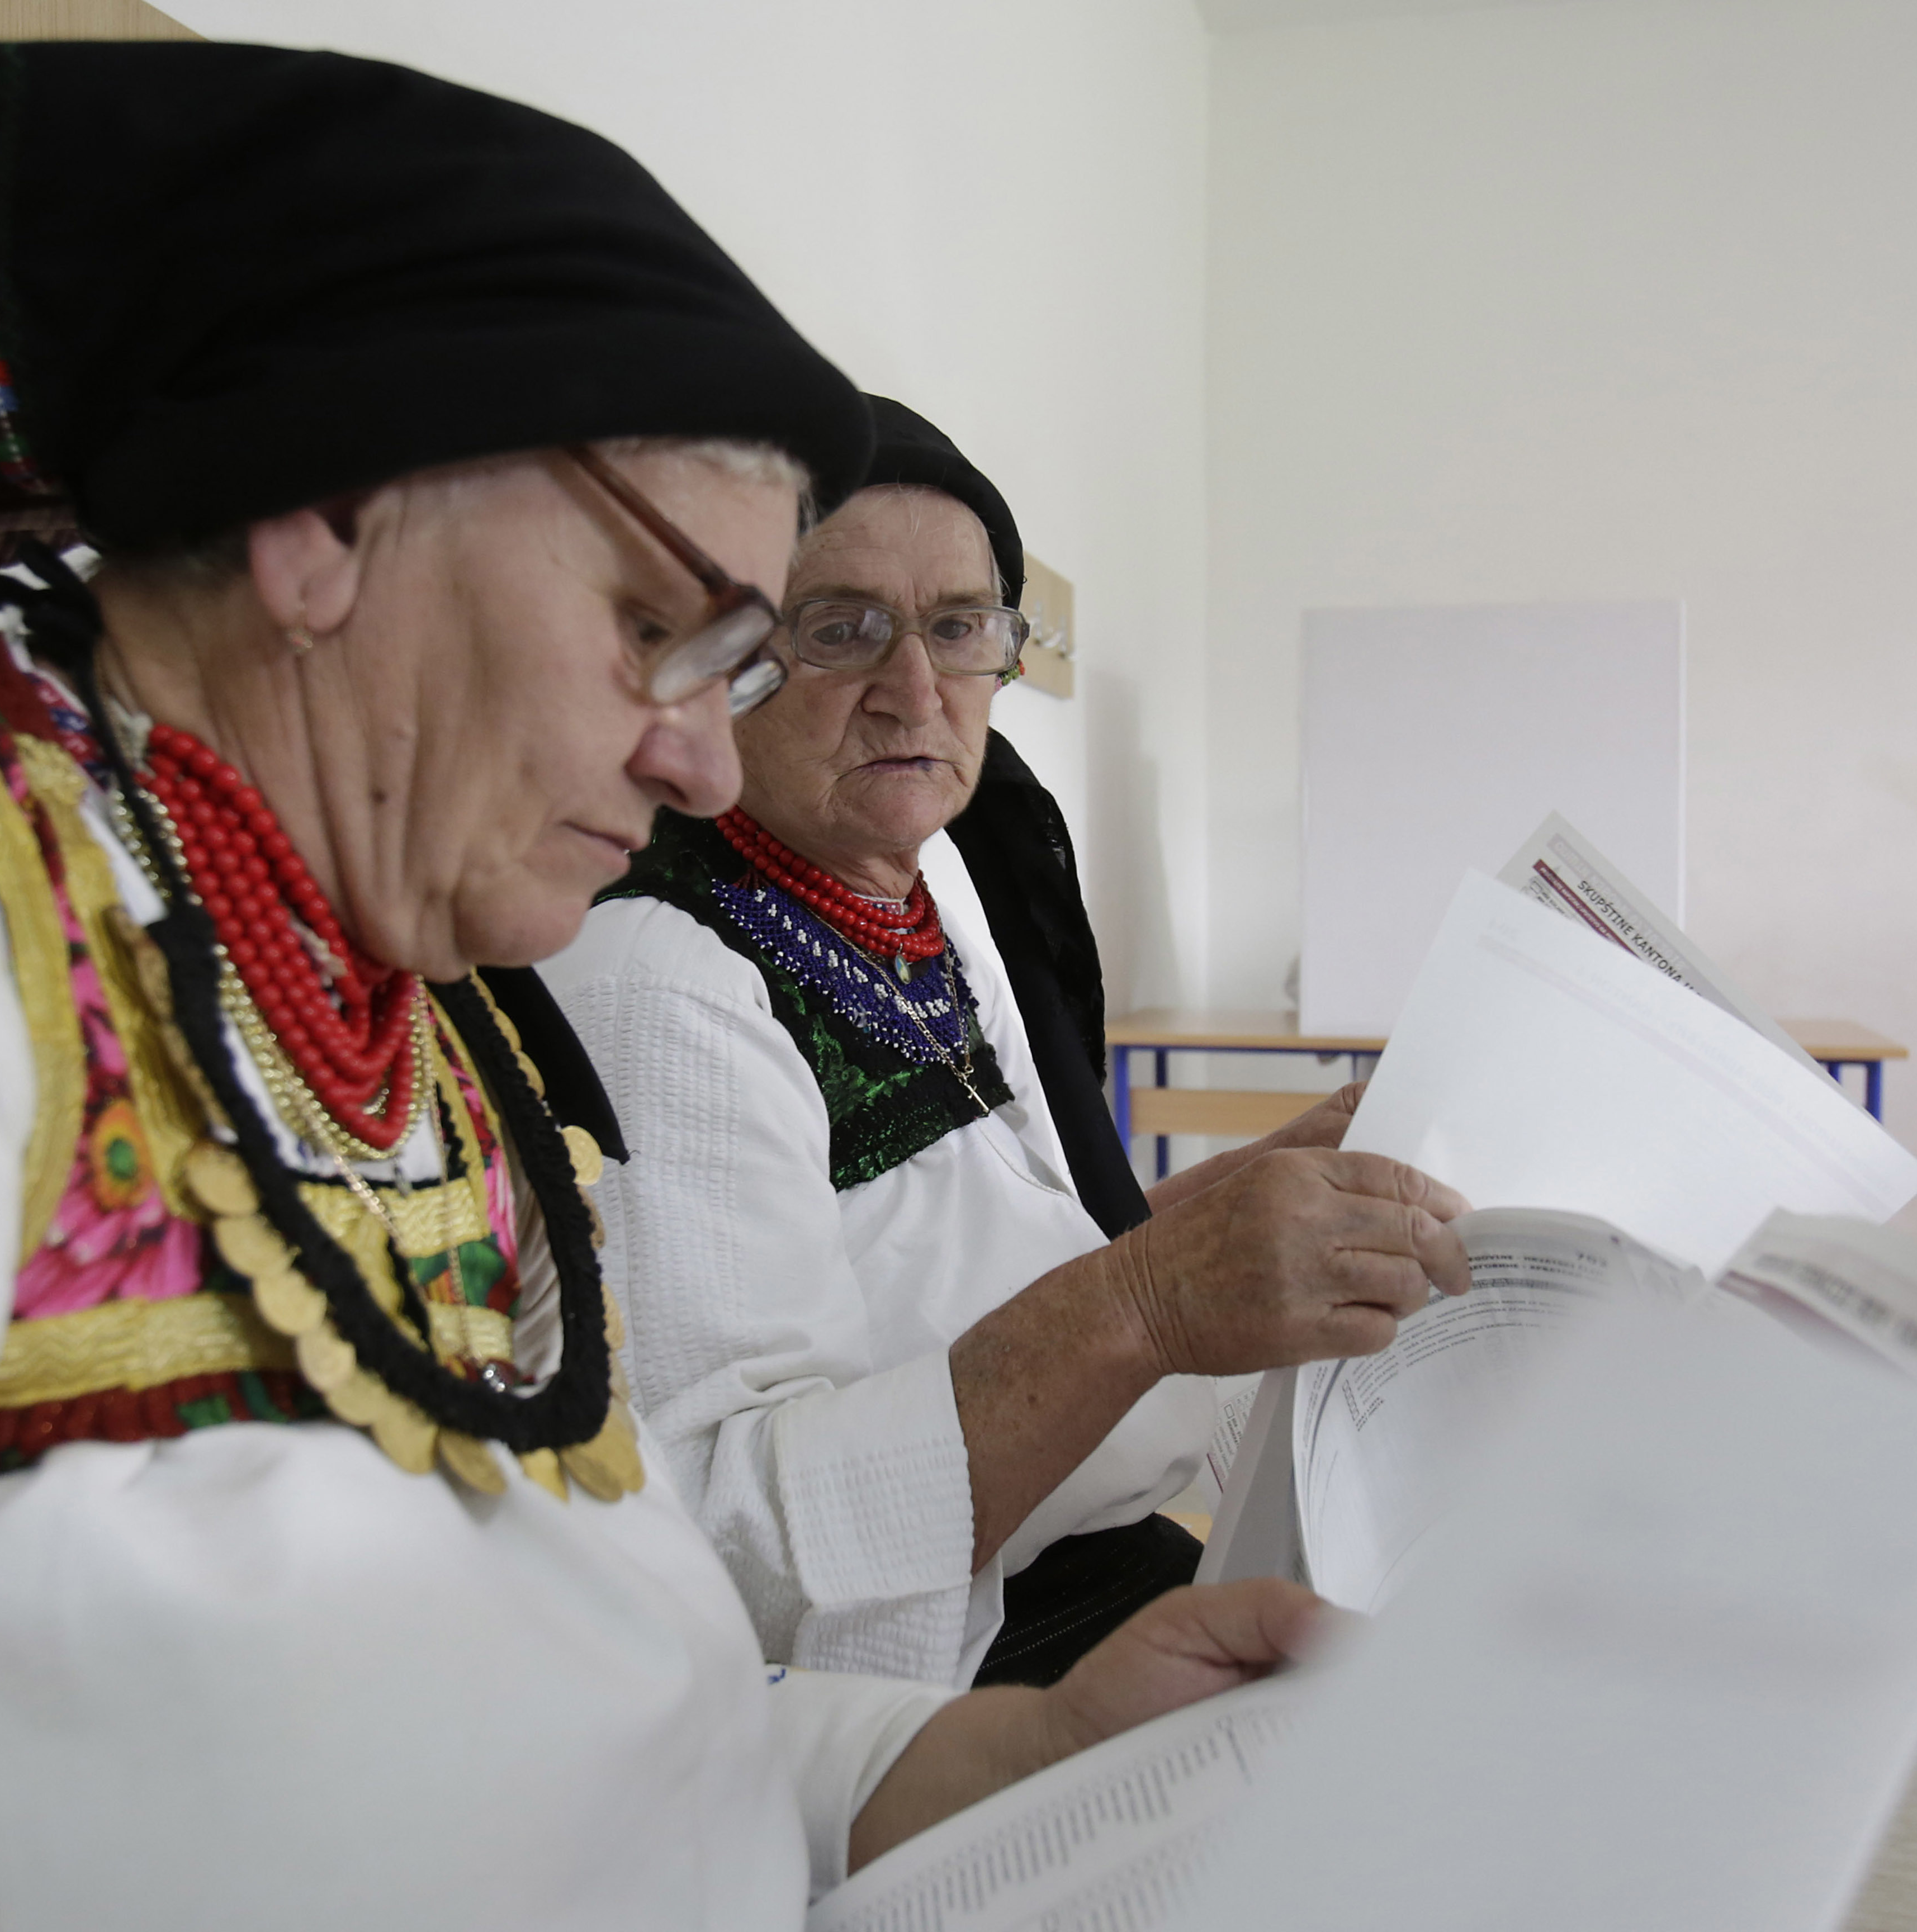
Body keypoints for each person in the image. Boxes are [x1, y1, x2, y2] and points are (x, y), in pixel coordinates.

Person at [0, 44, 1323, 1930]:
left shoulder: (413, 1018)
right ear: (321, 516)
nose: (707, 767)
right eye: (660, 631)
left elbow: (612, 1658)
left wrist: (991, 1755)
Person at [542, 397, 1471, 1689]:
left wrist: (1251, 1198)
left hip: (1110, 1556)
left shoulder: (941, 884)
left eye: (961, 628)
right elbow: (729, 1545)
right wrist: (1155, 1301)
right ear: (733, 656)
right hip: (937, 1672)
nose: (912, 692)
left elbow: (991, 1245)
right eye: (842, 627)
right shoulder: (659, 973)